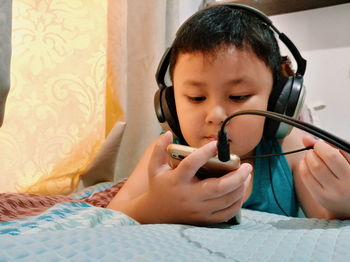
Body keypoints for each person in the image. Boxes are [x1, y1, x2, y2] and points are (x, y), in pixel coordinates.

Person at [107, 4, 350, 225]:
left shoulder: (288, 147)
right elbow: (114, 215)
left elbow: (325, 219)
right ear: (168, 104)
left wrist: (343, 203)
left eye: (238, 96)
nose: (215, 116)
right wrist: (153, 208)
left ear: (277, 101)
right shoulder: (166, 152)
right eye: (196, 97)